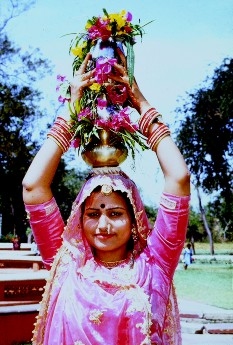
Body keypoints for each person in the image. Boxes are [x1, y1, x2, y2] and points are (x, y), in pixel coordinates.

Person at [22, 51, 190, 345]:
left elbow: (179, 178)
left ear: (135, 219)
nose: (103, 225)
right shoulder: (66, 264)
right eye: (93, 214)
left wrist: (142, 104)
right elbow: (32, 186)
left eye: (115, 213)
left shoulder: (155, 264)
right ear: (79, 218)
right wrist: (71, 112)